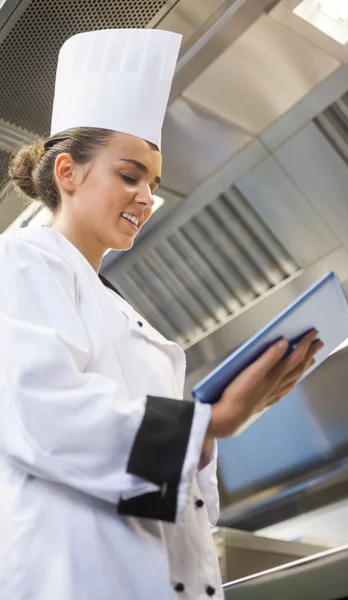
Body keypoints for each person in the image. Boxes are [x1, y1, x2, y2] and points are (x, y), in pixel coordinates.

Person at [0, 29, 322, 600]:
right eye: (130, 175)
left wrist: (201, 438)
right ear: (67, 173)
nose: (146, 196)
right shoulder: (21, 262)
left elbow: (158, 490)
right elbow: (42, 415)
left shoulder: (120, 310)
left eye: (153, 182)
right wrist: (211, 422)